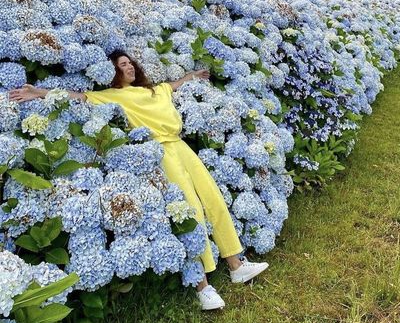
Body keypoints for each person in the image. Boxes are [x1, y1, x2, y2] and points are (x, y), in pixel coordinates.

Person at [9, 51, 268, 310]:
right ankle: (203, 286)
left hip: (180, 145)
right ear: (114, 72)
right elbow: (79, 97)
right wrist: (38, 92)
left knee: (212, 198)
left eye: (131, 63)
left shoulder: (155, 90)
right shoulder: (113, 96)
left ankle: (236, 265)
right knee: (190, 211)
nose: (130, 67)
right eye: (123, 65)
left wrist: (193, 75)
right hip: (159, 152)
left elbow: (177, 83)